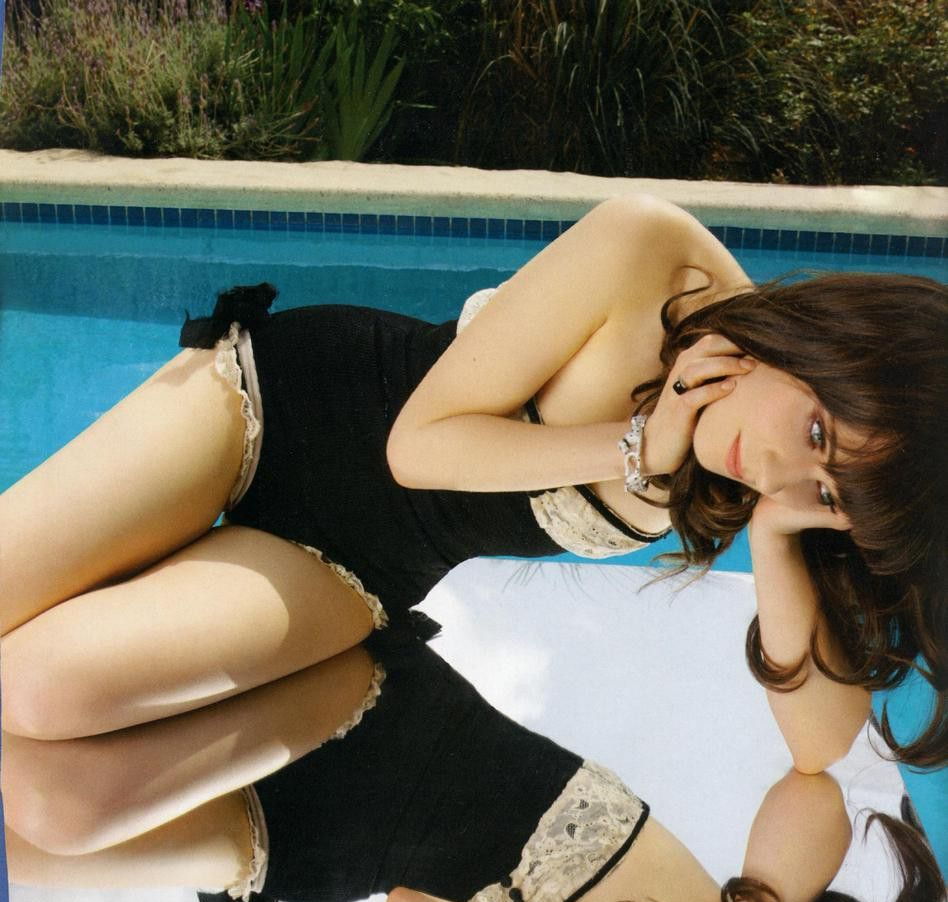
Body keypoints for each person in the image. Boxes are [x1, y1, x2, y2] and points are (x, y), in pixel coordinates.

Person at [1, 195, 944, 779]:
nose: (777, 470)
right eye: (815, 435)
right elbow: (420, 447)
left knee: (41, 693)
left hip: (360, 566)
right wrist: (637, 445)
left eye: (828, 489)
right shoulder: (654, 251)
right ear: (834, 344)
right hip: (280, 411)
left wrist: (781, 533)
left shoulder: (770, 481)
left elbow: (818, 748)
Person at [5, 635, 942, 902]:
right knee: (48, 744)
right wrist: (780, 538)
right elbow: (819, 771)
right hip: (385, 735)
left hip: (328, 846)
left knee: (41, 834)